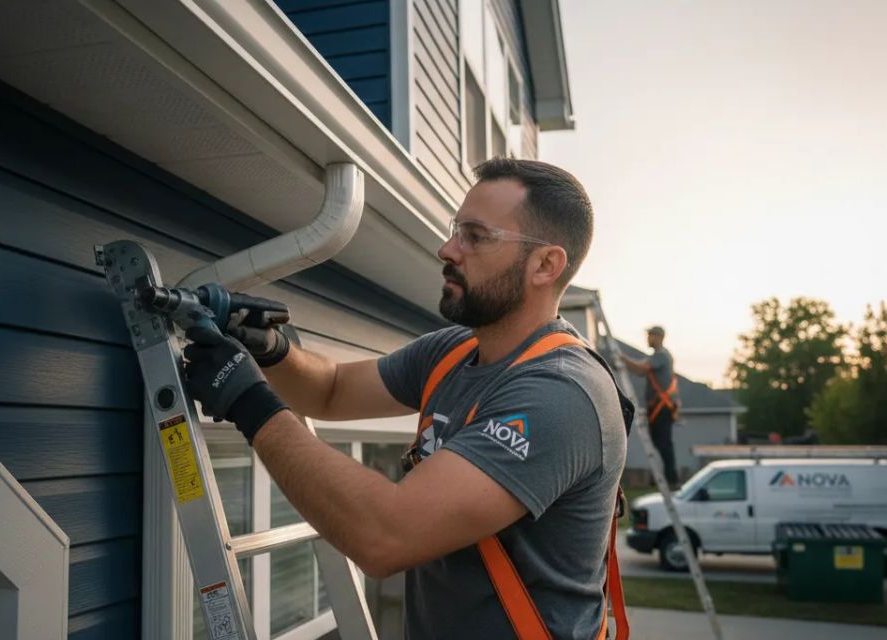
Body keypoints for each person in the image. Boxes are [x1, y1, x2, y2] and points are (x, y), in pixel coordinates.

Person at [183, 158, 631, 639]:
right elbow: (330, 390)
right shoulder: (455, 351)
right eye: (455, 230)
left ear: (546, 265)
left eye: (475, 236)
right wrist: (271, 352)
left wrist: (249, 403)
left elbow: (385, 536)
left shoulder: (562, 393)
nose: (447, 249)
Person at [622, 326, 681, 486]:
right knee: (658, 442)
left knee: (664, 443)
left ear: (660, 337)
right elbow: (640, 370)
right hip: (658, 408)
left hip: (662, 408)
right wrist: (624, 362)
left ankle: (672, 478)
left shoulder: (662, 355)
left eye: (651, 335)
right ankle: (668, 477)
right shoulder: (656, 356)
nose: (648, 338)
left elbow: (641, 368)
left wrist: (621, 358)